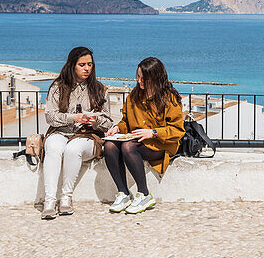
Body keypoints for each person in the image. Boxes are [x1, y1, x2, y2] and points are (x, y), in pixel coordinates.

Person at [103, 57, 185, 215]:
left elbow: (177, 131)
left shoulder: (170, 98)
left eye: (144, 78)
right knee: (109, 146)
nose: (140, 81)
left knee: (128, 147)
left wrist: (153, 132)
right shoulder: (134, 95)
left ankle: (144, 194)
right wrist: (117, 129)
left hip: (161, 144)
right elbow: (126, 121)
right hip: (139, 142)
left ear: (155, 78)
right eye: (138, 77)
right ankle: (123, 193)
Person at [40, 46, 114, 219]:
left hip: (88, 136)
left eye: (90, 64)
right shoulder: (58, 87)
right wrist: (73, 118)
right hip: (60, 132)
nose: (87, 68)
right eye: (82, 64)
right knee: (52, 147)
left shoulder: (100, 90)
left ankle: (66, 197)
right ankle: (49, 201)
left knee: (73, 149)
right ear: (72, 65)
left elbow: (109, 122)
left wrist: (96, 121)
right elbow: (50, 117)